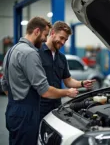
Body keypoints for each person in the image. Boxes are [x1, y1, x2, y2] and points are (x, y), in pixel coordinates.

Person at [1, 17, 78, 145]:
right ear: (36, 31)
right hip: (27, 114)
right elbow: (45, 91)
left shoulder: (11, 51)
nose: (44, 39)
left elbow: (4, 85)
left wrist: (17, 100)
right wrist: (67, 92)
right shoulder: (30, 53)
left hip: (12, 110)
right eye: (45, 35)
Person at [39, 21, 96, 121]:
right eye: (61, 38)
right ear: (52, 33)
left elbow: (68, 81)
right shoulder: (37, 53)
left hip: (56, 107)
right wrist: (67, 92)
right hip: (38, 107)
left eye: (65, 40)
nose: (63, 42)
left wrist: (82, 83)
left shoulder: (62, 58)